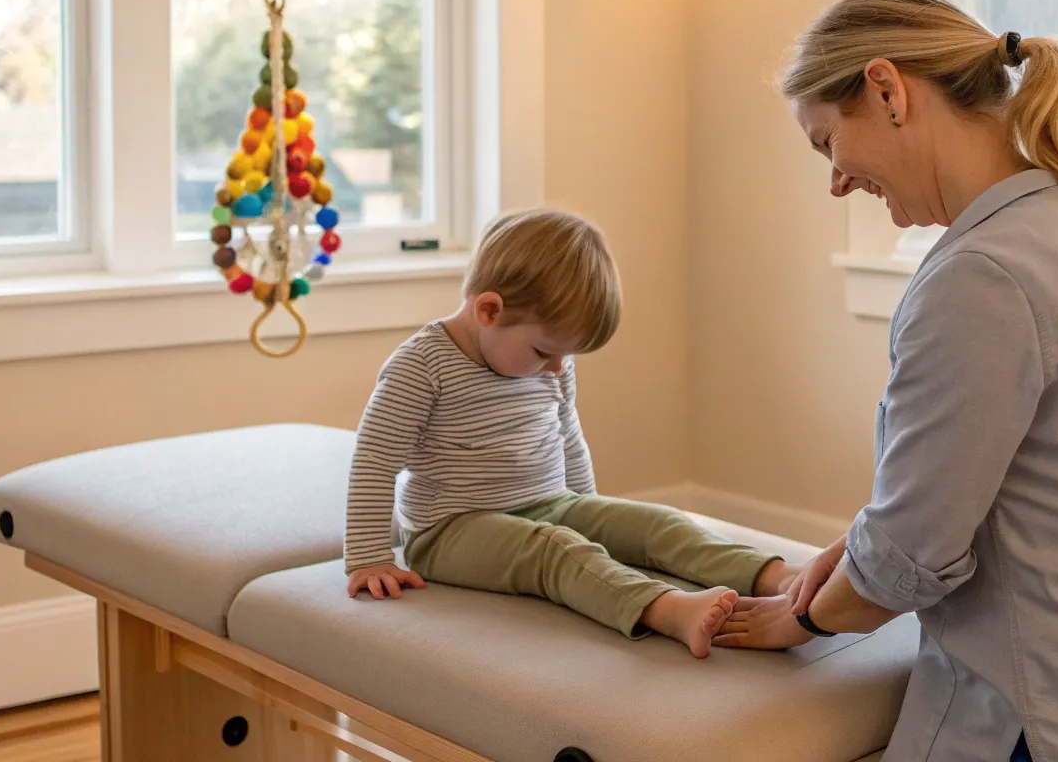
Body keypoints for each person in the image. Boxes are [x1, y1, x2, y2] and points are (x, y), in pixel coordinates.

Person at [712, 0, 1058, 760]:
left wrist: (798, 619)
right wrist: (853, 549)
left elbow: (910, 556)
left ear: (888, 90)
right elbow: (1020, 490)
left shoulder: (982, 276)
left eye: (827, 142)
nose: (835, 182)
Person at [341, 207, 803, 658]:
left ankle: (780, 578)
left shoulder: (551, 362)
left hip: (548, 502)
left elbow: (567, 434)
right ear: (489, 310)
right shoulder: (421, 367)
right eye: (545, 351)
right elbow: (373, 461)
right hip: (449, 531)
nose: (558, 367)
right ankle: (667, 611)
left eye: (566, 355)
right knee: (559, 550)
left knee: (657, 524)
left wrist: (593, 510)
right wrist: (368, 558)